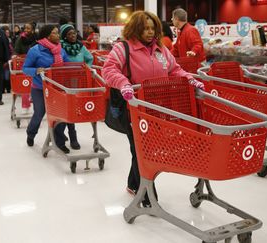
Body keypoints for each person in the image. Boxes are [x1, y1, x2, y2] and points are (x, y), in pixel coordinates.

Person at [102, 11, 204, 207]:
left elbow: (174, 69)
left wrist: (189, 79)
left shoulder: (161, 49)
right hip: (133, 107)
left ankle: (133, 185)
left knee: (145, 149)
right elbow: (108, 69)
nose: (150, 32)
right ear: (135, 28)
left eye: (152, 28)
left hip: (158, 109)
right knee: (141, 149)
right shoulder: (123, 48)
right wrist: (123, 83)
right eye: (145, 28)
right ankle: (147, 193)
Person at [22, 25, 70, 153]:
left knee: (61, 114)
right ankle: (31, 134)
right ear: (47, 36)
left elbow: (68, 65)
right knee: (40, 112)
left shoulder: (61, 50)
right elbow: (25, 68)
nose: (58, 35)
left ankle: (59, 142)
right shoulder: (35, 50)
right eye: (55, 33)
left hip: (57, 88)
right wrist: (36, 70)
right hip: (39, 88)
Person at [59, 23, 94, 150]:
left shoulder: (81, 47)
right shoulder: (60, 48)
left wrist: (86, 69)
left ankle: (69, 136)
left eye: (74, 33)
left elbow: (89, 58)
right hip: (63, 81)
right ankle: (69, 137)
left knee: (72, 108)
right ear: (64, 36)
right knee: (65, 108)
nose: (73, 36)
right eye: (69, 34)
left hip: (77, 82)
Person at [14, 22, 37, 113]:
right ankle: (26, 105)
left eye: (28, 28)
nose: (26, 30)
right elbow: (16, 51)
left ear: (33, 30)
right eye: (25, 28)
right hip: (24, 64)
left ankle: (37, 105)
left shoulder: (37, 38)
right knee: (26, 84)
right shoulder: (20, 38)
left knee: (36, 85)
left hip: (36, 63)